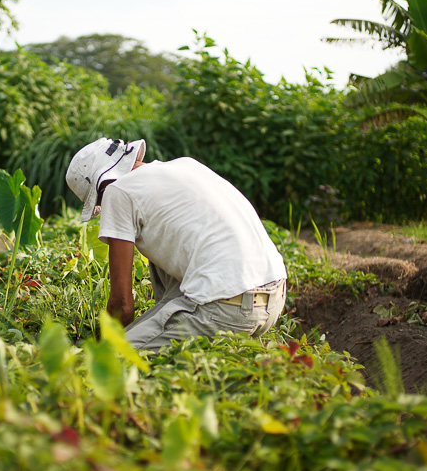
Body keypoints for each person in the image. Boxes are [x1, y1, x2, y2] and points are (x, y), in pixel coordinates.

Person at [65, 137, 287, 350]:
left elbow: (122, 306)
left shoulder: (117, 191)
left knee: (109, 361)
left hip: (227, 308)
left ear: (101, 185)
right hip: (275, 299)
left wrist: (106, 345)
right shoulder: (186, 166)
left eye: (99, 202)